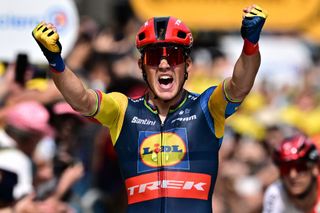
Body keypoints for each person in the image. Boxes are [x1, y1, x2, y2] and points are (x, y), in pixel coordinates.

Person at [32, 4, 267, 212]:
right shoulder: (123, 110)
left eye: (174, 56)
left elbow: (239, 85)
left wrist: (250, 45)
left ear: (187, 65)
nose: (164, 64)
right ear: (141, 66)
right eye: (154, 57)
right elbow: (82, 100)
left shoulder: (207, 106)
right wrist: (56, 62)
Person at [263, 134, 320, 213]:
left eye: (300, 167)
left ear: (315, 169)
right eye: (285, 168)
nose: (292, 175)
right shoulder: (276, 193)